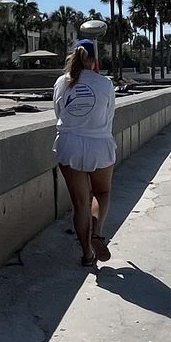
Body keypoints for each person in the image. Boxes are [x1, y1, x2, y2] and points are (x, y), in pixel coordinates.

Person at [54, 39, 118, 267]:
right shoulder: (105, 84)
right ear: (94, 60)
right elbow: (110, 116)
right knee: (102, 192)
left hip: (69, 145)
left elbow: (58, 114)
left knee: (80, 203)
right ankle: (97, 232)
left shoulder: (61, 82)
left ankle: (87, 254)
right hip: (99, 145)